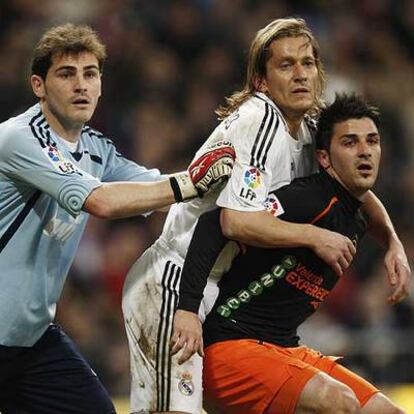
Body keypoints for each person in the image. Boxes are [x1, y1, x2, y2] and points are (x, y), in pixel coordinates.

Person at [122, 17, 410, 414]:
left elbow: (356, 188)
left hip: (215, 287)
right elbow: (231, 222)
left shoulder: (307, 129)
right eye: (286, 65)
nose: (300, 75)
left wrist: (392, 242)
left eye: (307, 63)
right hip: (173, 280)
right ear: (261, 80)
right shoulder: (260, 120)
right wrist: (313, 236)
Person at [0, 23, 235, 414]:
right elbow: (103, 202)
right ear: (38, 86)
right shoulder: (18, 139)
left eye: (90, 74)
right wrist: (191, 182)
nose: (81, 85)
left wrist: (239, 184)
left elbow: (161, 192)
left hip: (32, 342)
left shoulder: (96, 148)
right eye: (66, 74)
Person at [176, 93, 407, 414]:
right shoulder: (309, 199)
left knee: (386, 412)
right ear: (324, 158)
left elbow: (369, 204)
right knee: (340, 403)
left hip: (282, 348)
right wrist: (186, 308)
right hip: (231, 347)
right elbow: (214, 224)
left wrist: (394, 244)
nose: (365, 150)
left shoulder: (357, 209)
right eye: (350, 142)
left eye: (372, 141)